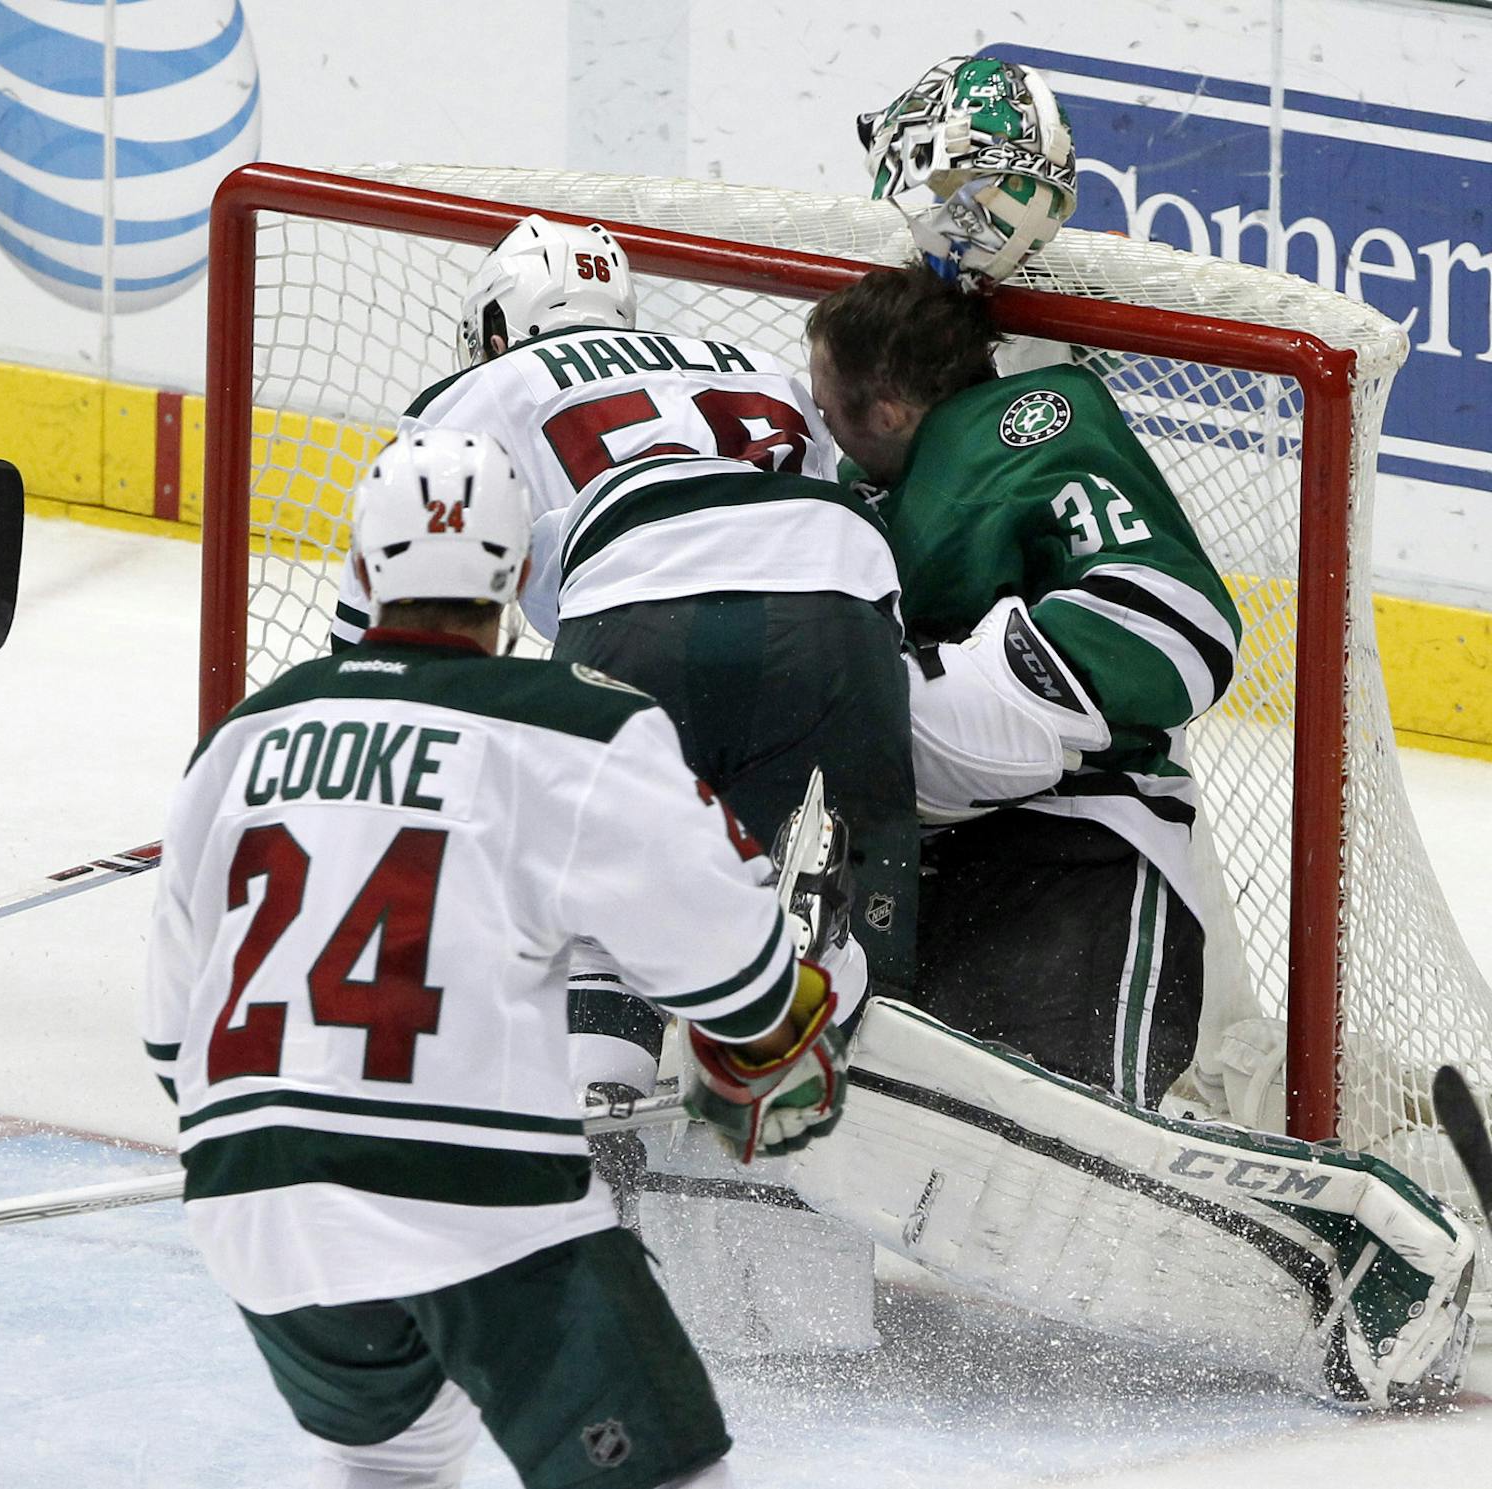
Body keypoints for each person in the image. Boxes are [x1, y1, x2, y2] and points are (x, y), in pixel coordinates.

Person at [144, 430, 850, 1489]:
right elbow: (739, 973)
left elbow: (170, 1040)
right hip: (472, 1191)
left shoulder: (244, 737)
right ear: (524, 573)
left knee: (392, 1466)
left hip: (253, 1199)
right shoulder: (578, 725)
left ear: (364, 567)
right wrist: (766, 1039)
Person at [331, 214, 914, 1134]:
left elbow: (395, 610)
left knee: (592, 881)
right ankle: (806, 968)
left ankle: (597, 1102)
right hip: (840, 600)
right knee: (801, 865)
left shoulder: (481, 389)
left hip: (638, 600)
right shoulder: (761, 369)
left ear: (496, 327)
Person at [804, 270, 1239, 1110]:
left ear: (888, 408)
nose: (818, 415)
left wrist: (965, 693)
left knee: (1062, 1139)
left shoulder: (1028, 438)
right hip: (925, 874)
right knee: (916, 1143)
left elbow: (1183, 628)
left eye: (829, 402)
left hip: (1085, 851)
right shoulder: (869, 491)